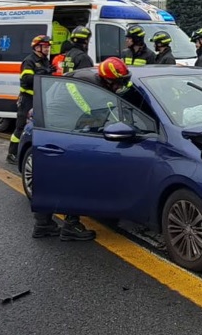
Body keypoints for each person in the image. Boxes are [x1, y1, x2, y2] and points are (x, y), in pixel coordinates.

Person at [31, 57, 134, 241]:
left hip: (49, 130)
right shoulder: (94, 92)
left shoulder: (87, 78)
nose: (120, 87)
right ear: (108, 80)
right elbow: (98, 118)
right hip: (65, 132)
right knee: (77, 178)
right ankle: (71, 226)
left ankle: (43, 225)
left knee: (50, 179)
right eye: (118, 83)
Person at [7, 35, 53, 165]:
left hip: (39, 98)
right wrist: (44, 73)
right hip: (27, 99)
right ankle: (12, 154)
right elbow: (27, 79)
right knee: (21, 127)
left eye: (48, 46)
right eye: (45, 46)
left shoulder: (45, 61)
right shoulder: (29, 61)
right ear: (37, 47)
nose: (48, 49)